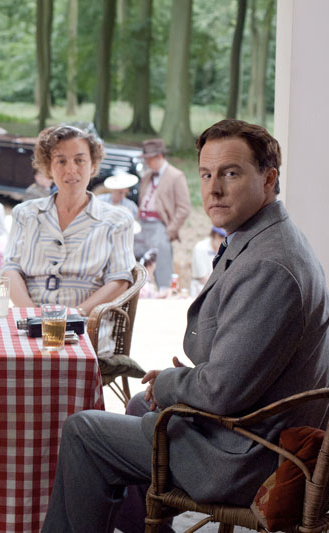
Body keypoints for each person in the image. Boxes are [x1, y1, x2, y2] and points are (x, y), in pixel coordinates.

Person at [41, 119, 329, 533]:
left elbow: (221, 391)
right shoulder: (263, 239)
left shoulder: (270, 265)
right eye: (207, 175)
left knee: (83, 431)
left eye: (231, 174)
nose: (213, 190)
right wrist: (174, 384)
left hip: (248, 455)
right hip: (249, 429)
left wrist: (171, 382)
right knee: (139, 405)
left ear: (268, 179)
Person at [2, 125, 135, 323]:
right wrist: (31, 315)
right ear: (48, 167)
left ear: (93, 166)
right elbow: (10, 269)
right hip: (30, 323)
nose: (71, 169)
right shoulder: (25, 213)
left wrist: (76, 315)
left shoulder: (118, 220)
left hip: (87, 326)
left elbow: (120, 280)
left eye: (79, 160)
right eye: (61, 161)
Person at [133, 138, 191, 295]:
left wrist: (170, 230)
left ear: (159, 156)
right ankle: (135, 290)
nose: (147, 163)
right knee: (130, 254)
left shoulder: (176, 176)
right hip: (141, 223)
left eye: (149, 159)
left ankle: (164, 291)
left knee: (162, 254)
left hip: (160, 224)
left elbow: (184, 208)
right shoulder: (147, 176)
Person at [190, 225, 226, 295]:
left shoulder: (222, 249)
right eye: (223, 238)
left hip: (216, 289)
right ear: (216, 236)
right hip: (201, 290)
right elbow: (203, 278)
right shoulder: (200, 248)